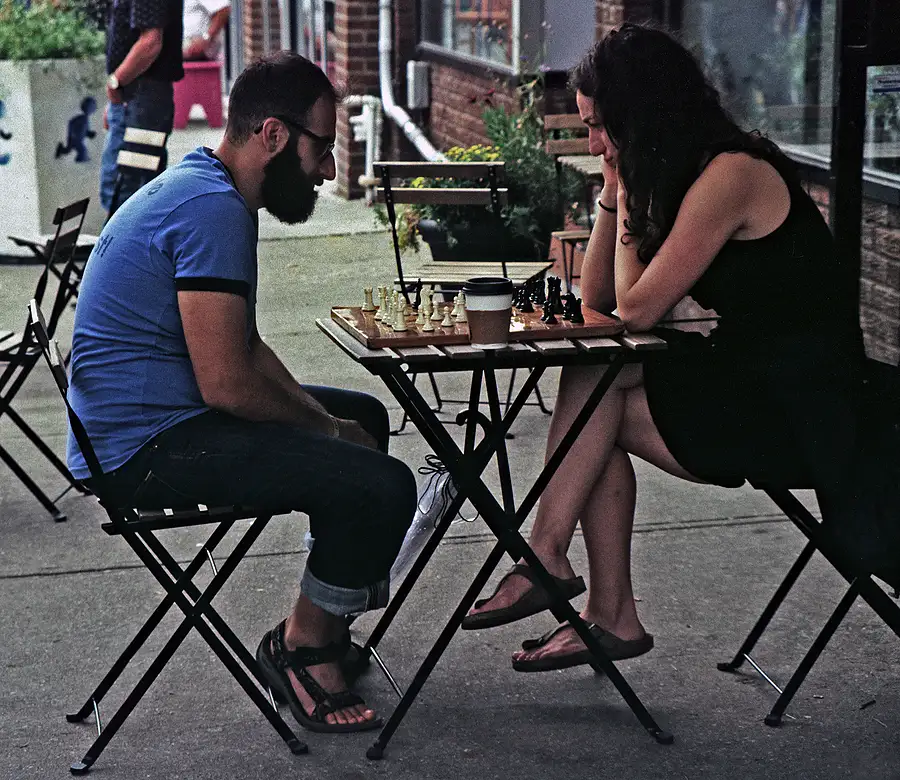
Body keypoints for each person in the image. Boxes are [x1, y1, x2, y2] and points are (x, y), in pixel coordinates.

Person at [462, 23, 868, 672]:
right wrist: (611, 192)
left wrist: (625, 193)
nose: (594, 144)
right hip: (750, 379)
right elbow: (597, 295)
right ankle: (576, 584)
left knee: (598, 394)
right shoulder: (681, 174)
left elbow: (633, 311)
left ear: (640, 114)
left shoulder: (733, 174)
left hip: (806, 411)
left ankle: (581, 588)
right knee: (596, 381)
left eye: (600, 126)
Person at [68, 53, 417, 732]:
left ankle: (324, 623)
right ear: (275, 135)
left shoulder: (212, 190)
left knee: (366, 418)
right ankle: (302, 649)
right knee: (382, 483)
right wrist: (323, 430)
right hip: (141, 451)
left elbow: (246, 348)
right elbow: (227, 384)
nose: (327, 171)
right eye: (322, 148)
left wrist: (327, 421)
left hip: (154, 421)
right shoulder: (212, 209)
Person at [100, 0, 183, 214]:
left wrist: (116, 82)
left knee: (126, 192)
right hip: (138, 98)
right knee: (134, 191)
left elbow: (150, 42)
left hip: (141, 98)